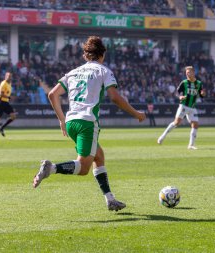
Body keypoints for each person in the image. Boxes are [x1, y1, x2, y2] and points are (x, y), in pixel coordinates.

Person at [32, 36, 146, 211]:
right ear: (103, 55)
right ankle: (51, 168)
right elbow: (114, 97)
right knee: (84, 167)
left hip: (71, 122)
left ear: (86, 55)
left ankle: (110, 199)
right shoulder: (103, 71)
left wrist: (62, 120)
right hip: (87, 122)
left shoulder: (73, 72)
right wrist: (136, 113)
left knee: (98, 156)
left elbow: (52, 94)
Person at [157, 66, 205, 149]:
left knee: (195, 125)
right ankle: (162, 137)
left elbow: (201, 95)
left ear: (193, 72)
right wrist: (180, 97)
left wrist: (203, 93)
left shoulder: (199, 83)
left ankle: (191, 145)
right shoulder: (184, 82)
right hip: (184, 106)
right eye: (186, 73)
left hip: (192, 107)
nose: (187, 74)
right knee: (176, 123)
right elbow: (177, 93)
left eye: (189, 72)